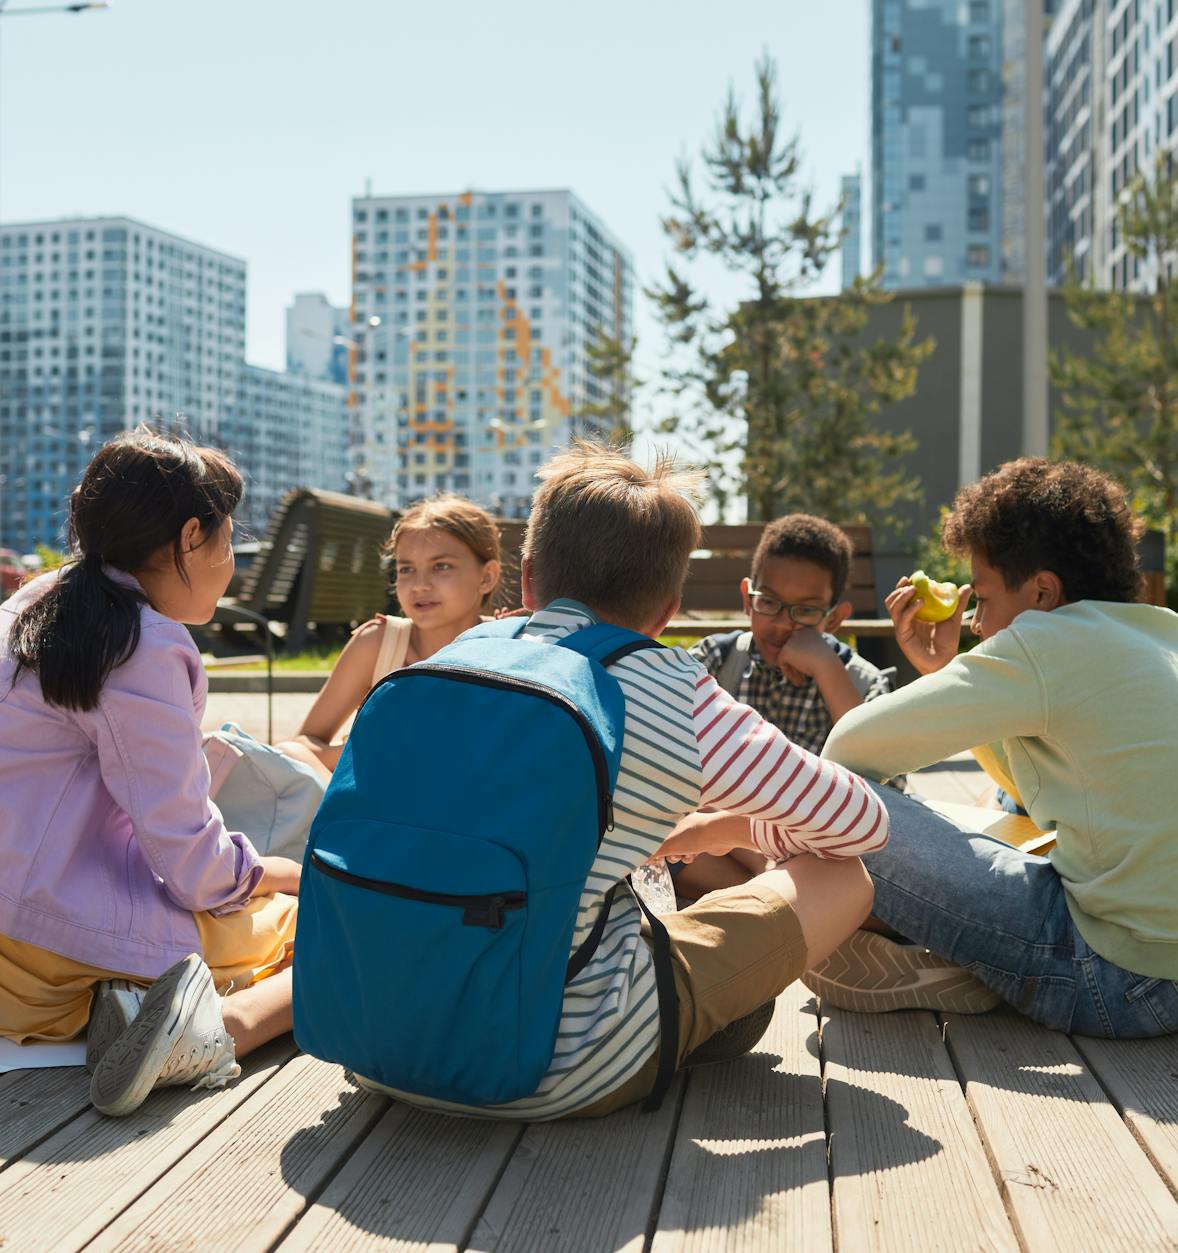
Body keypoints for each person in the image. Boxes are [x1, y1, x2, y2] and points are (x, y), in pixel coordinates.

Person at [338, 442, 891, 1119]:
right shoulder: (673, 687)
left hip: (376, 1040)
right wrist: (739, 825)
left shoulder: (451, 658)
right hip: (551, 1066)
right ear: (667, 610)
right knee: (843, 874)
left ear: (529, 578)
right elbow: (864, 822)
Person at [0, 428, 300, 1117]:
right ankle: (214, 1025)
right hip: (24, 951)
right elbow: (192, 861)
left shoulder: (44, 600)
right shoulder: (145, 643)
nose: (233, 566)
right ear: (191, 538)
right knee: (310, 923)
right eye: (228, 543)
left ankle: (130, 999)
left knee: (238, 899)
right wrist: (277, 872)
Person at [809, 458, 1178, 1036]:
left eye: (982, 598)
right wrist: (945, 669)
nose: (978, 624)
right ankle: (962, 961)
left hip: (1117, 982)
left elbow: (846, 750)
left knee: (827, 801)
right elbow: (1046, 789)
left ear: (1042, 591)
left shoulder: (1044, 640)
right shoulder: (1172, 633)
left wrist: (948, 677)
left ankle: (959, 959)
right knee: (1010, 803)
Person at [287, 494, 503, 773]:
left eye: (441, 566)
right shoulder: (378, 644)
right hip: (381, 809)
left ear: (487, 577)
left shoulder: (508, 647)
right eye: (406, 569)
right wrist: (369, 747)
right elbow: (303, 744)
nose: (419, 585)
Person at [688, 513, 893, 755]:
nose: (784, 624)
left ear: (834, 618)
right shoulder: (714, 663)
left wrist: (827, 668)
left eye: (806, 610)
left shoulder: (865, 684)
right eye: (769, 601)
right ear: (747, 598)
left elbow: (890, 783)